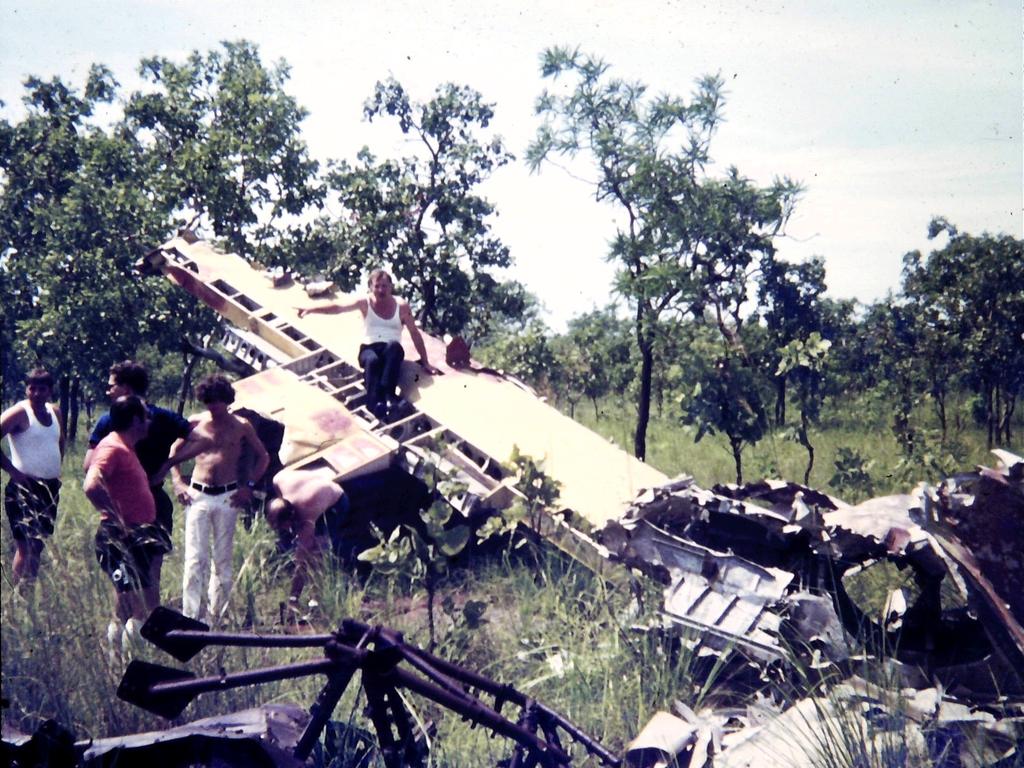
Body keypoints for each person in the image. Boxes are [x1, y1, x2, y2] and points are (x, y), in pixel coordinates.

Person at [84, 360, 197, 608]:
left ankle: (146, 622)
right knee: (130, 582)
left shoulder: (116, 431)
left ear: (127, 387)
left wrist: (170, 466)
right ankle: (135, 627)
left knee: (141, 575)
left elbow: (87, 465)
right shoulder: (118, 442)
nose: (108, 391)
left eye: (112, 385)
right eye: (145, 419)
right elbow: (90, 479)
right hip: (129, 514)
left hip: (145, 508)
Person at [168, 374, 270, 622]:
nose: (213, 406)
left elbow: (263, 457)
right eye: (209, 401)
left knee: (222, 558)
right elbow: (173, 452)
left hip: (228, 496)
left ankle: (216, 616)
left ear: (227, 400)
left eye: (218, 401)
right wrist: (178, 481)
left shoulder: (242, 425)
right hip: (198, 494)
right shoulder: (195, 423)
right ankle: (191, 615)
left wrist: (248, 486)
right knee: (195, 558)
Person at [297, 269, 442, 420]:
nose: (381, 290)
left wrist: (425, 361)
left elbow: (415, 333)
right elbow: (337, 307)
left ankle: (388, 396)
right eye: (377, 286)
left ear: (391, 287)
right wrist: (311, 309)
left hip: (389, 350)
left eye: (384, 286)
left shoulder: (401, 306)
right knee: (372, 361)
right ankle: (374, 404)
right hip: (369, 348)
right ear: (371, 287)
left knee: (394, 347)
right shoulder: (365, 302)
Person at [83, 395, 165, 649]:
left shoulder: (124, 447)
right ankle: (133, 665)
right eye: (146, 416)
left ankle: (116, 659)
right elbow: (91, 484)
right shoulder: (112, 447)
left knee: (125, 603)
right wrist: (118, 519)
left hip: (135, 534)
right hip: (122, 536)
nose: (150, 421)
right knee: (136, 606)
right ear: (135, 420)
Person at [1, 368, 64, 581]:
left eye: (42, 389)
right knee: (25, 547)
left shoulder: (55, 412)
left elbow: (60, 441)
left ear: (50, 391)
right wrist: (13, 472)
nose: (36, 393)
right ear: (26, 389)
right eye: (32, 388)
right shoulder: (18, 413)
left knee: (38, 545)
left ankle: (29, 593)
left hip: (50, 488)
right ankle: (19, 598)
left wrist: (58, 470)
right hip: (24, 488)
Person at [265, 466, 347, 614]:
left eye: (282, 527)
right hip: (314, 486)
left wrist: (293, 598)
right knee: (307, 548)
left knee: (316, 552)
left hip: (335, 501)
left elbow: (301, 559)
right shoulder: (279, 480)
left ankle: (316, 599)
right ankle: (306, 598)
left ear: (291, 517)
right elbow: (280, 478)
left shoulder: (308, 512)